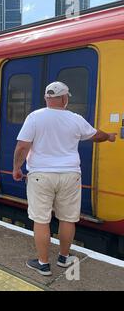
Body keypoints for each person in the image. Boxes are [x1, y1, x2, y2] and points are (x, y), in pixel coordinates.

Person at [13, 82, 117, 276]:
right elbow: (96, 135)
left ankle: (43, 264)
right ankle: (63, 257)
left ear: (46, 98)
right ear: (64, 98)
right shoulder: (75, 119)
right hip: (70, 175)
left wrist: (16, 168)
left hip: (40, 176)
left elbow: (22, 147)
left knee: (41, 220)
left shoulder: (34, 117)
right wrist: (110, 136)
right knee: (68, 218)